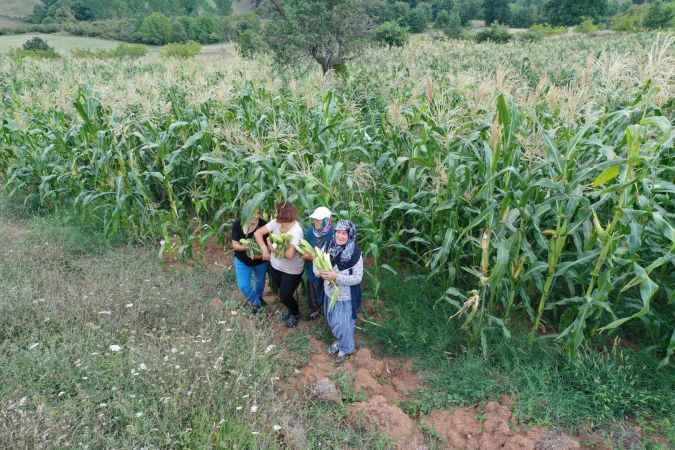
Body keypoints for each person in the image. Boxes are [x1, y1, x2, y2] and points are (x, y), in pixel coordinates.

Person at [315, 220, 363, 363]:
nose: (340, 236)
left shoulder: (355, 254)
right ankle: (341, 341)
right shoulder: (328, 246)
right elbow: (316, 264)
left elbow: (357, 278)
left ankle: (346, 349)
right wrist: (319, 273)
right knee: (332, 321)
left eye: (344, 233)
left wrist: (336, 277)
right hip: (330, 293)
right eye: (338, 232)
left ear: (350, 235)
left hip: (345, 296)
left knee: (344, 325)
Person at [255, 202, 304, 328]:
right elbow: (258, 233)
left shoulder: (296, 231)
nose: (280, 223)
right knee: (280, 291)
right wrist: (264, 249)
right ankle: (290, 309)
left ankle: (295, 313)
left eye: (282, 220)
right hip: (275, 265)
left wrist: (271, 248)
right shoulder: (277, 221)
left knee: (285, 295)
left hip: (291, 270)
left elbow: (289, 255)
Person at [231, 210, 268, 314]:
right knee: (244, 286)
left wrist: (261, 254)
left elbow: (268, 244)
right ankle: (257, 303)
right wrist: (247, 247)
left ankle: (258, 300)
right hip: (242, 261)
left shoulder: (263, 225)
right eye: (251, 214)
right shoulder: (238, 224)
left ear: (259, 214)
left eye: (256, 214)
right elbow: (235, 245)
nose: (254, 217)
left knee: (260, 284)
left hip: (260, 262)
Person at [302, 206, 334, 320]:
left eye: (319, 219)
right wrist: (308, 256)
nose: (316, 221)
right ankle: (315, 309)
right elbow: (303, 249)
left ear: (327, 220)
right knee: (313, 286)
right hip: (312, 267)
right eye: (315, 219)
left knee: (327, 287)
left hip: (328, 267)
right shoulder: (310, 233)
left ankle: (326, 309)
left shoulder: (334, 233)